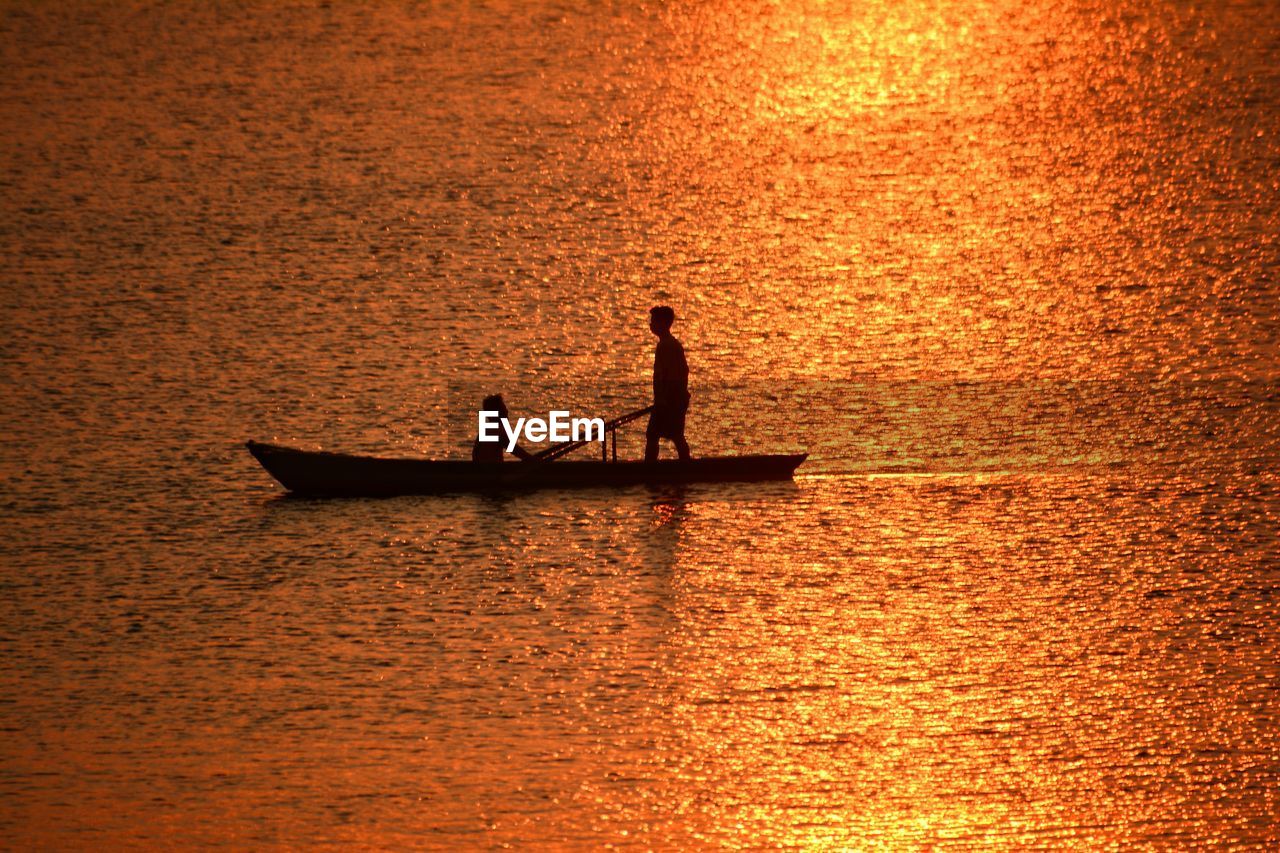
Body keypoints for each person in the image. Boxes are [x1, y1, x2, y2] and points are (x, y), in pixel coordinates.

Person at [645, 305, 692, 462]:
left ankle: (649, 469)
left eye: (654, 321)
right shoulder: (670, 344)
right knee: (676, 434)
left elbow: (673, 376)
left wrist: (664, 400)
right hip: (672, 399)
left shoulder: (667, 345)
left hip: (669, 400)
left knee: (654, 433)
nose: (651, 325)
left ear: (664, 323)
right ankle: (686, 464)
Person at [472, 393, 533, 462]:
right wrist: (535, 460)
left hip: (482, 470)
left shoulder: (486, 430)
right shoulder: (497, 430)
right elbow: (516, 451)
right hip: (490, 471)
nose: (506, 411)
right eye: (503, 408)